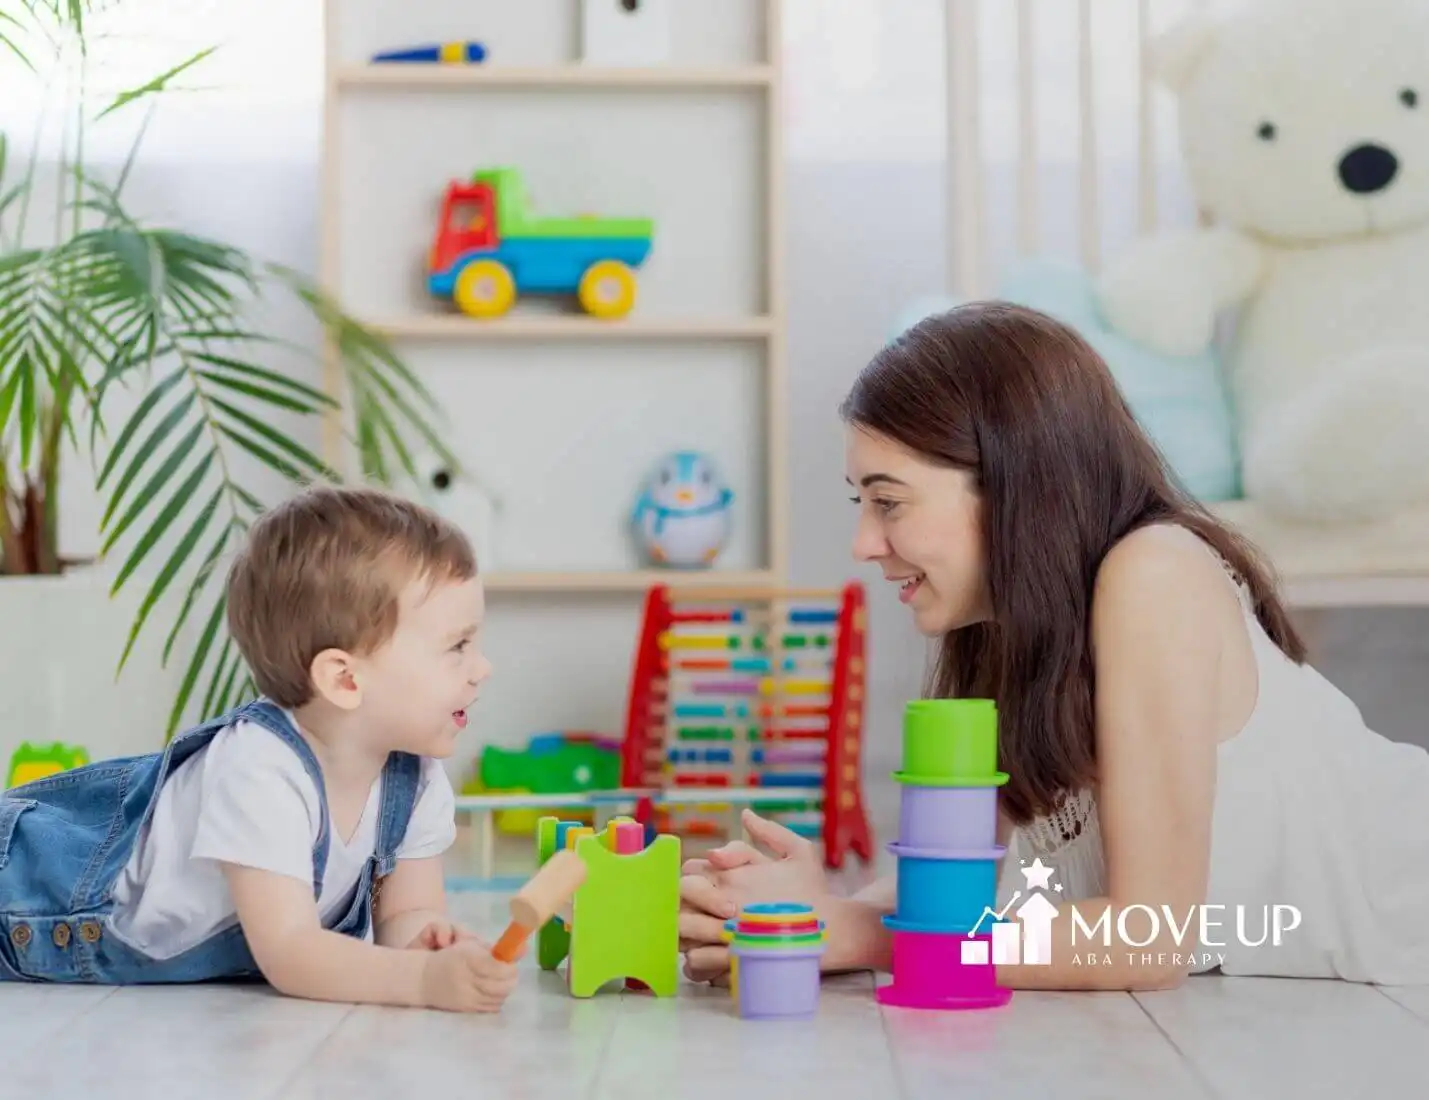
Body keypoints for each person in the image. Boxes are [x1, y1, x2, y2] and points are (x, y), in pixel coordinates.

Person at [678, 301, 1429, 992]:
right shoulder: (1005, 635)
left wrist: (866, 938)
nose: (864, 543)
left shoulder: (1154, 573)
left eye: (889, 502)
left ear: (1013, 486)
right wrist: (800, 914)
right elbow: (953, 885)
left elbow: (1146, 940)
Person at [0, 484, 520, 1012]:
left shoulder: (415, 776)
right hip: (25, 896)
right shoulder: (260, 768)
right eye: (457, 646)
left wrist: (432, 948)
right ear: (344, 679)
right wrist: (420, 982)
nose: (483, 668)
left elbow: (406, 915)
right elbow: (290, 950)